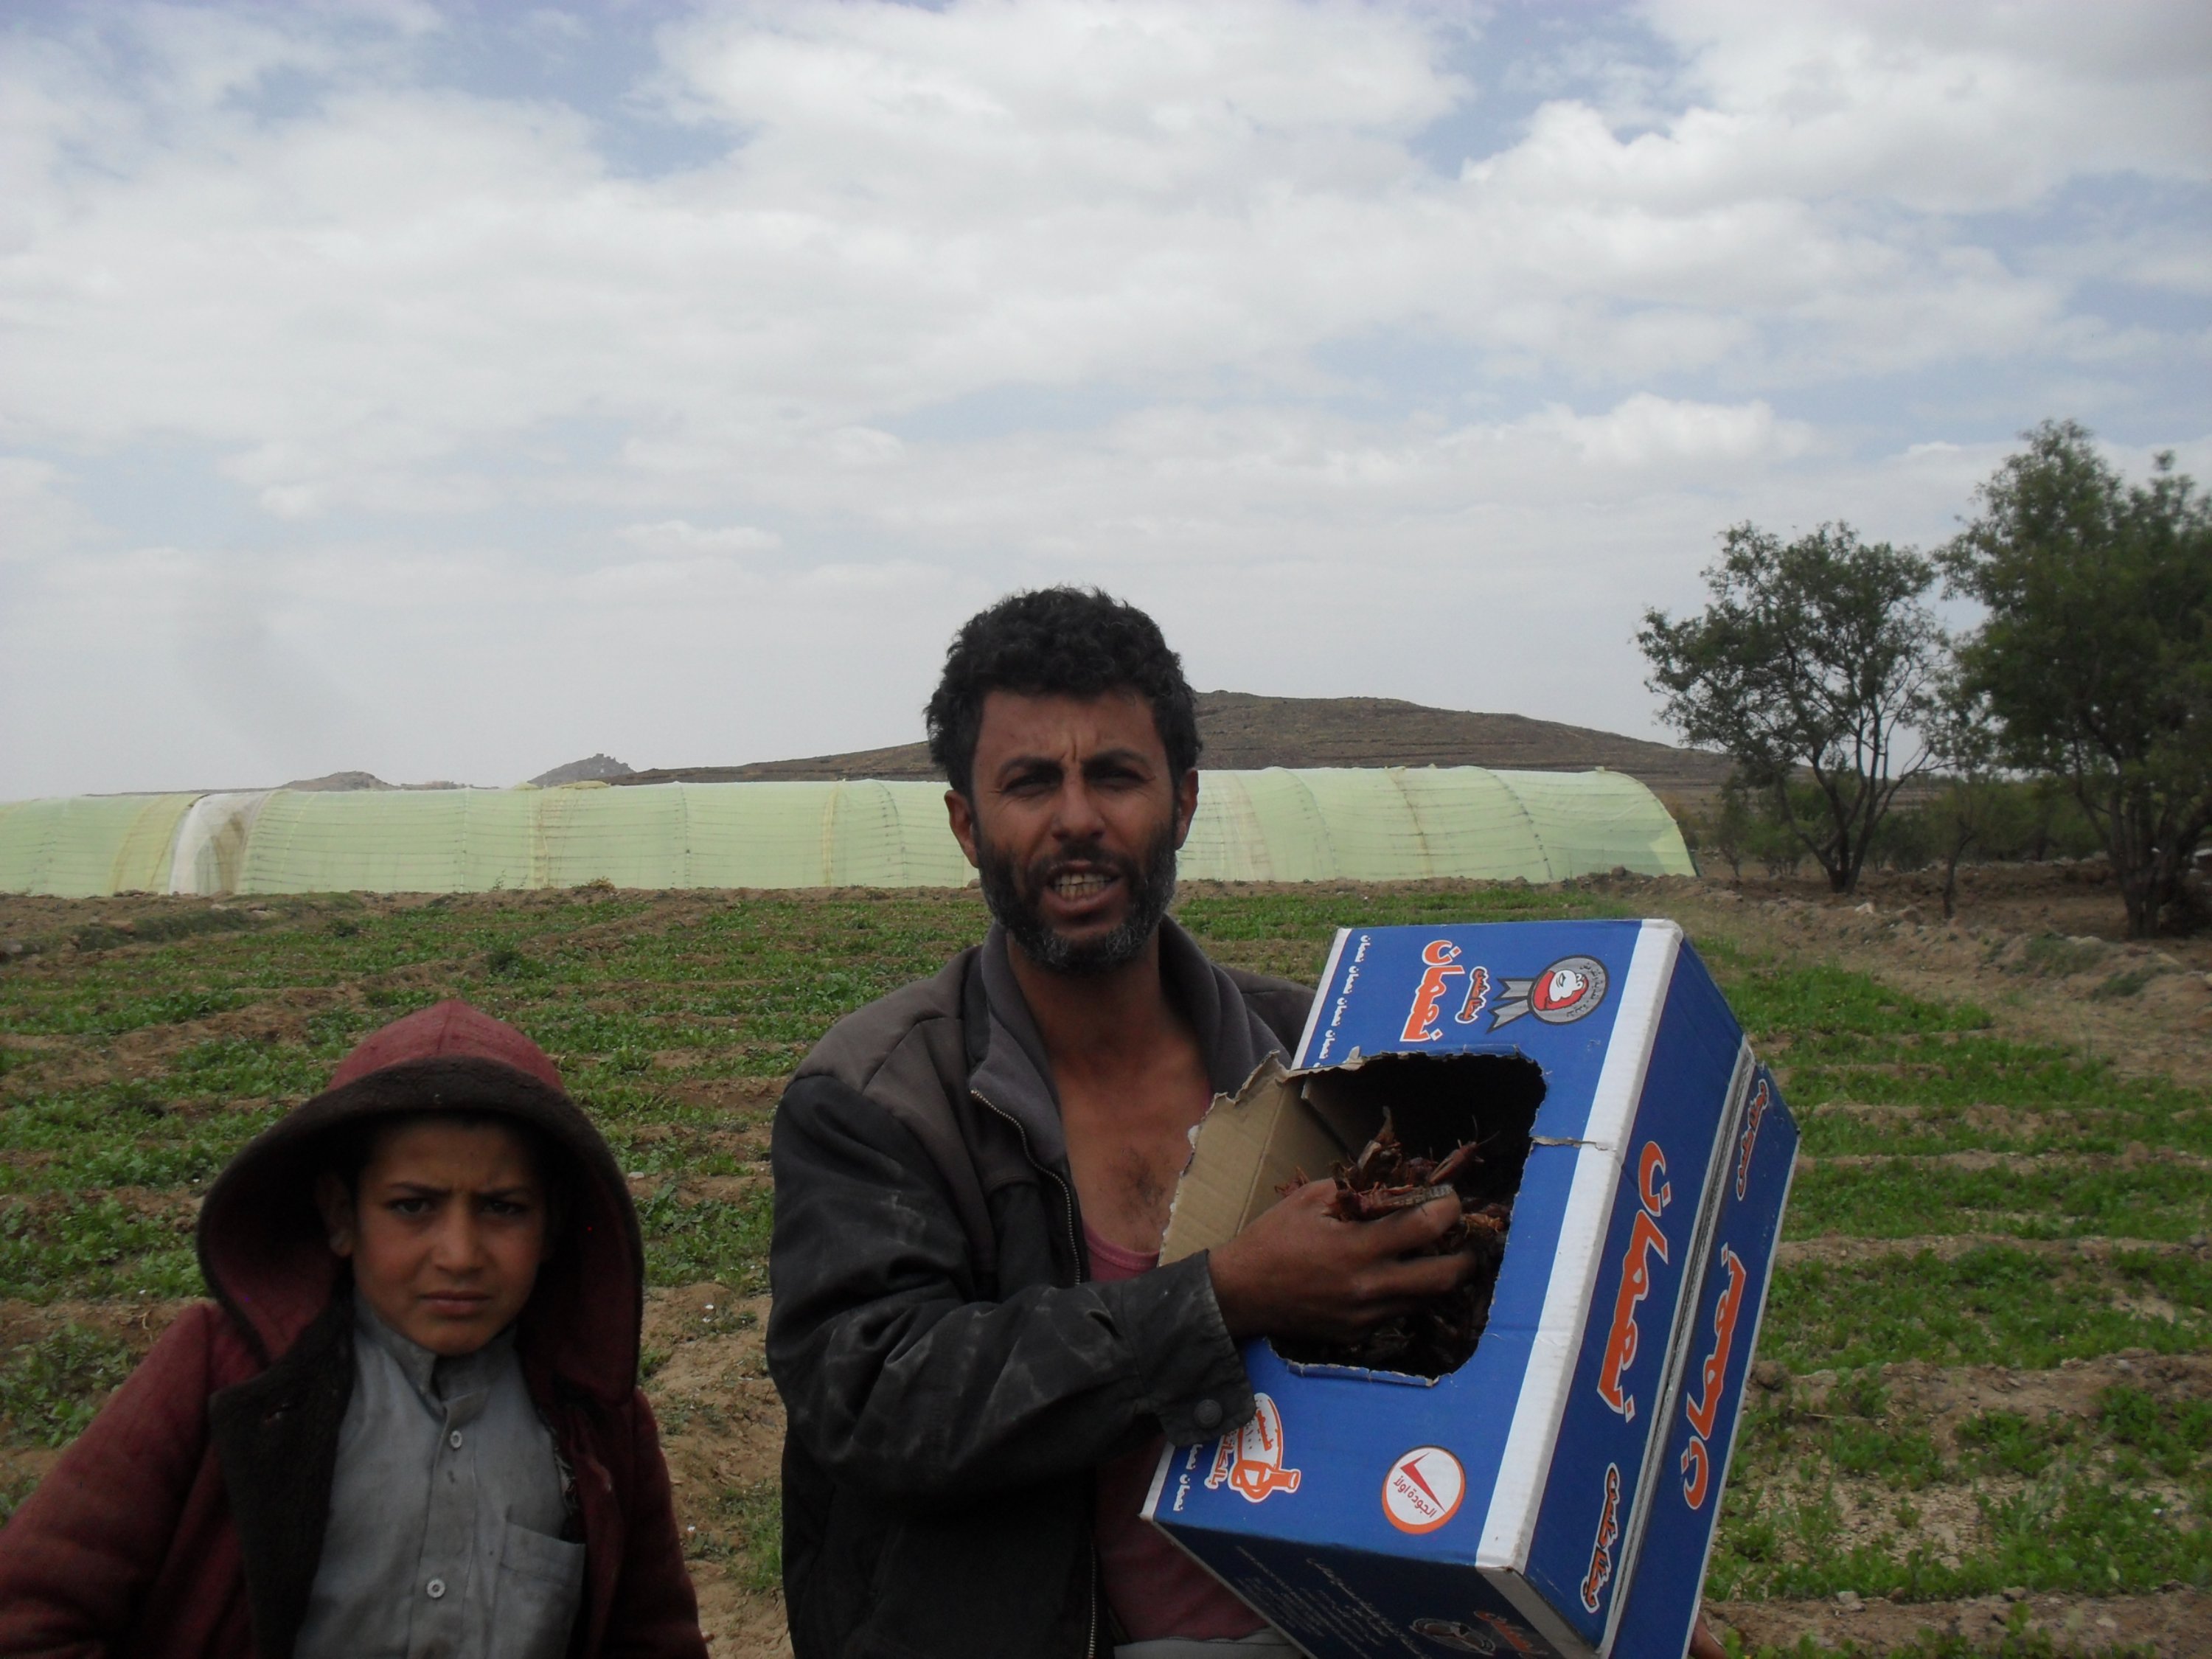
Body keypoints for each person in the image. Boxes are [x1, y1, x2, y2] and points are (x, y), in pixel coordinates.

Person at [768, 588, 1487, 1659]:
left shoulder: (1323, 1054)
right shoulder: (879, 1095)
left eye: (1114, 773)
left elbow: (1474, 1361)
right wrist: (1223, 1296)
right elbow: (874, 1393)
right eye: (1028, 782)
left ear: (1183, 800)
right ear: (966, 823)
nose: (1077, 817)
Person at [0, 998, 707, 1659]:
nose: (459, 1255)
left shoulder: (598, 1428)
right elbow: (32, 1614)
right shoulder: (223, 1375)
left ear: (552, 1225)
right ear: (341, 1216)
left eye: (502, 1208)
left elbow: (655, 1639)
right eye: (412, 1207)